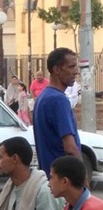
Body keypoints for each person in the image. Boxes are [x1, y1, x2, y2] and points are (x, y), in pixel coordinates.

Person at [33, 48, 81, 178]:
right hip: (65, 182)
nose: (76, 72)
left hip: (50, 179)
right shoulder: (59, 100)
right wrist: (83, 180)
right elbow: (70, 148)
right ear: (57, 70)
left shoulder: (42, 98)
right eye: (71, 67)